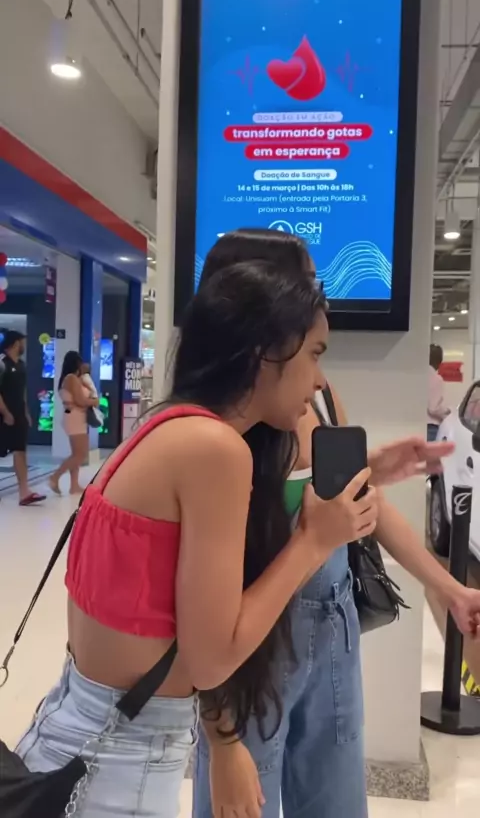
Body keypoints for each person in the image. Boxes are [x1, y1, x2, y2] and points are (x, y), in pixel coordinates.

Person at [16, 258, 378, 818]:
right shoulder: (217, 450)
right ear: (265, 353)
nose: (319, 380)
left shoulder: (167, 426)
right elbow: (211, 659)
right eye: (314, 354)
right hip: (119, 764)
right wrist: (312, 541)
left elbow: (180, 620)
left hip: (79, 729)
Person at [193, 231, 480, 818]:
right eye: (304, 282)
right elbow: (203, 612)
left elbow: (363, 506)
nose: (317, 295)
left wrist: (450, 588)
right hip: (253, 651)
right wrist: (221, 739)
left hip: (334, 629)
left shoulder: (316, 400)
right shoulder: (215, 439)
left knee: (336, 801)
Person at [0, 330, 46, 505]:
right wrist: (5, 413)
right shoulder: (2, 363)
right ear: (15, 343)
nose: (24, 346)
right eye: (22, 342)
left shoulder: (21, 365)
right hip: (3, 414)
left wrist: (25, 412)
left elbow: (22, 391)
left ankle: (24, 492)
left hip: (18, 414)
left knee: (20, 451)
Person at [49, 351, 99, 496]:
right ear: (76, 363)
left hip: (75, 416)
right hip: (75, 417)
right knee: (81, 454)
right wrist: (94, 402)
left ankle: (74, 485)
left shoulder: (73, 379)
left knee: (76, 453)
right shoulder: (71, 378)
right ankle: (55, 477)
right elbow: (80, 400)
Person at [427, 343, 450, 441]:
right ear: (439, 361)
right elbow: (433, 409)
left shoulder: (418, 376)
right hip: (431, 427)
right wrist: (447, 412)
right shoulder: (436, 379)